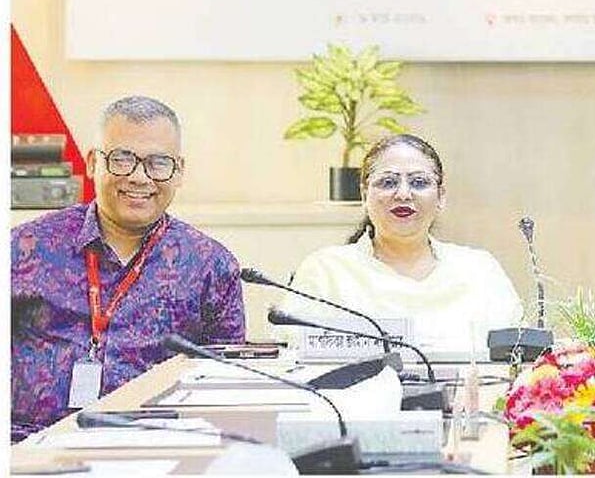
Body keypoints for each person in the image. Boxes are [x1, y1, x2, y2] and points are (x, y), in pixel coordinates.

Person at [11, 96, 245, 442]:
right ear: (93, 163)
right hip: (29, 447)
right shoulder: (23, 249)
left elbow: (226, 388)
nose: (139, 177)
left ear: (179, 171)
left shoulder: (211, 266)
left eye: (158, 163)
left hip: (157, 449)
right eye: (122, 159)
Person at [280, 133, 523, 352]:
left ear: (441, 197)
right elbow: (291, 353)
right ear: (365, 196)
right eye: (388, 182)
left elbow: (517, 357)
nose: (404, 194)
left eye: (419, 182)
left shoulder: (479, 270)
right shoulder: (326, 270)